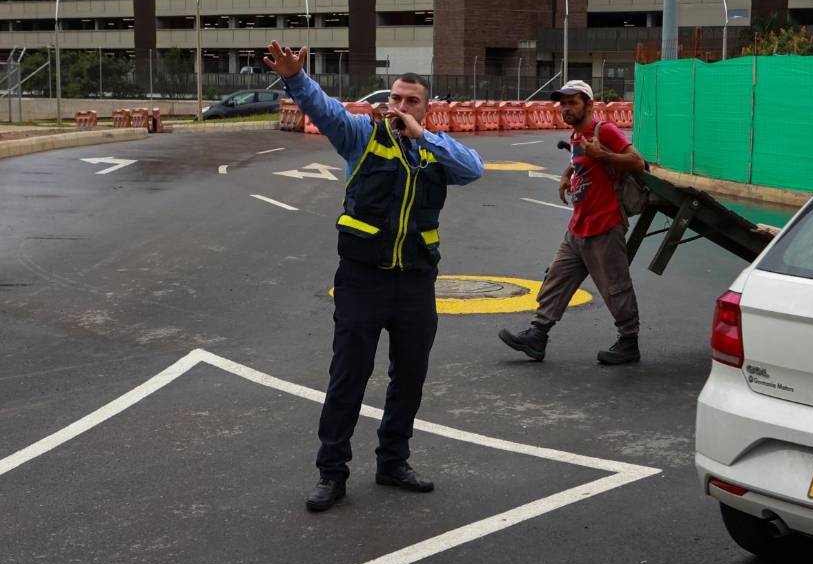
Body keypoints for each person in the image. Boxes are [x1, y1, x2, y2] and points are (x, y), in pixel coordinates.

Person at [261, 41, 485, 513]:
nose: (399, 106)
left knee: (410, 378)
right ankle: (331, 472)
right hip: (363, 281)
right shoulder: (362, 137)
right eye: (395, 98)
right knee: (348, 377)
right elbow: (324, 110)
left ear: (426, 109)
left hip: (415, 282)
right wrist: (295, 78)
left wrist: (422, 136)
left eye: (411, 101)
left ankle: (393, 462)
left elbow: (473, 169)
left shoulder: (435, 150)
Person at [498, 80, 646, 365]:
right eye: (563, 104)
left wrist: (603, 155)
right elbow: (579, 158)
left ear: (588, 105)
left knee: (615, 286)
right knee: (556, 279)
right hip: (578, 226)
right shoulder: (577, 135)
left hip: (605, 224)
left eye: (572, 103)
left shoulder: (605, 131)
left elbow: (637, 162)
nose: (565, 109)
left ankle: (629, 341)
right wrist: (568, 174)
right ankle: (537, 335)